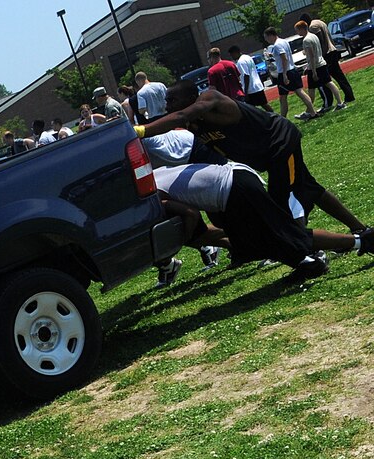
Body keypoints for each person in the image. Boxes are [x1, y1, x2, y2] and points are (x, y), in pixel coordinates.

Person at [138, 79, 372, 237]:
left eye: (172, 100)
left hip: (281, 144)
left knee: (279, 203)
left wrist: (139, 131)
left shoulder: (211, 99)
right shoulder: (192, 123)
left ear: (191, 97)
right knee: (309, 188)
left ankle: (304, 249)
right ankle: (360, 231)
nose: (167, 105)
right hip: (268, 156)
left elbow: (180, 116)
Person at [154, 162, 373, 283]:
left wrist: (186, 238)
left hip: (234, 188)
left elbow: (191, 214)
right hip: (236, 178)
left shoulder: (152, 193)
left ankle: (361, 242)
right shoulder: (155, 173)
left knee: (285, 234)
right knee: (265, 239)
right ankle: (307, 262)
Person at [263, 26, 318, 120]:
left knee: (284, 97)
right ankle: (313, 113)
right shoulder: (284, 41)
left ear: (271, 35)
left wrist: (284, 75)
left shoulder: (277, 45)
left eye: (266, 37)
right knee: (297, 93)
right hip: (292, 70)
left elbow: (284, 59)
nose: (266, 40)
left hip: (285, 72)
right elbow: (282, 55)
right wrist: (272, 55)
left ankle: (283, 119)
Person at [300, 12, 354, 105]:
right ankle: (349, 96)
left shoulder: (312, 27)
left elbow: (319, 41)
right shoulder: (319, 22)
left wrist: (319, 55)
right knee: (339, 76)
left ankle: (328, 101)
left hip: (326, 53)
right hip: (332, 50)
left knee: (324, 80)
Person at [295, 21, 344, 113]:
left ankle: (309, 111)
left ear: (301, 29)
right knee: (329, 83)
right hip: (321, 63)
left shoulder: (306, 40)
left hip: (315, 66)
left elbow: (311, 56)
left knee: (312, 89)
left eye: (297, 30)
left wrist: (313, 71)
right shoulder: (313, 36)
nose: (297, 32)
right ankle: (340, 102)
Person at [227, 45, 272, 112]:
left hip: (251, 89)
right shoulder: (247, 57)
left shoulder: (240, 62)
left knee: (251, 109)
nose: (232, 57)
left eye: (231, 55)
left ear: (235, 52)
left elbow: (246, 75)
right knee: (264, 104)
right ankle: (274, 115)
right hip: (257, 86)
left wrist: (246, 92)